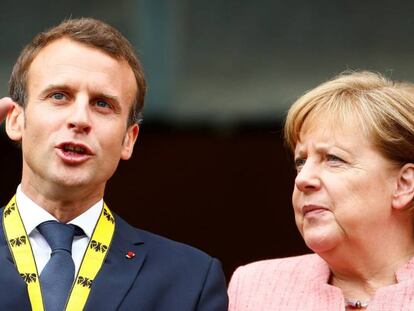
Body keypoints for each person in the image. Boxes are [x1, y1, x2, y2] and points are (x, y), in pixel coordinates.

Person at [0, 18, 228, 310]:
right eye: (59, 96)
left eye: (102, 104)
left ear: (128, 140)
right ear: (16, 120)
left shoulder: (190, 278)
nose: (80, 119)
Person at [228, 71, 414, 310]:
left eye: (333, 159)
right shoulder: (254, 288)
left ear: (404, 184)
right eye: (301, 162)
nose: (303, 179)